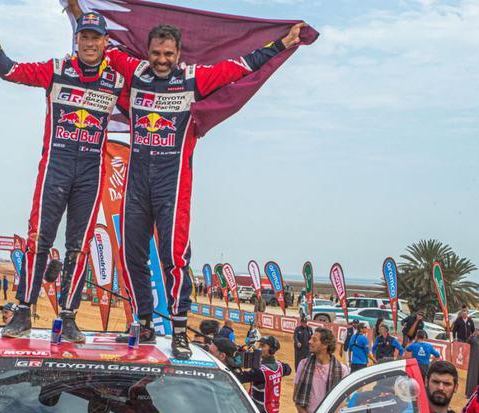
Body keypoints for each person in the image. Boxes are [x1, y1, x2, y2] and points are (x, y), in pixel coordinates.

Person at [50, 13, 306, 360]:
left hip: (172, 185)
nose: (161, 60)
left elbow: (242, 66)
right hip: (137, 183)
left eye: (168, 54)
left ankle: (180, 328)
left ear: (179, 54)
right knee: (131, 256)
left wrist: (283, 43)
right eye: (156, 53)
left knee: (174, 258)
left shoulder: (192, 80)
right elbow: (98, 46)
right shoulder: (135, 72)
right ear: (148, 52)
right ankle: (143, 320)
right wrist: (77, 10)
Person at [0, 13, 125, 344]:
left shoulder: (116, 81)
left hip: (90, 170)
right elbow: (11, 71)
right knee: (38, 239)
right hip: (56, 166)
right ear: (77, 40)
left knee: (79, 247)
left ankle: (69, 316)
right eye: (84, 37)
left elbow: (147, 106)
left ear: (105, 43)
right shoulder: (57, 70)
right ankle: (24, 311)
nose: (89, 43)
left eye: (95, 38)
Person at [290, 328, 349, 413]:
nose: (309, 342)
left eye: (314, 340)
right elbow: (296, 396)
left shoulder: (342, 370)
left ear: (325, 344)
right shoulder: (303, 364)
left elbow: (341, 401)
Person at [233, 336, 291, 413]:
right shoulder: (280, 366)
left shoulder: (260, 371)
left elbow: (239, 377)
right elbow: (288, 369)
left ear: (272, 350)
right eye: (259, 345)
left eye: (263, 345)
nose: (259, 348)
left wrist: (236, 363)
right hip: (272, 411)